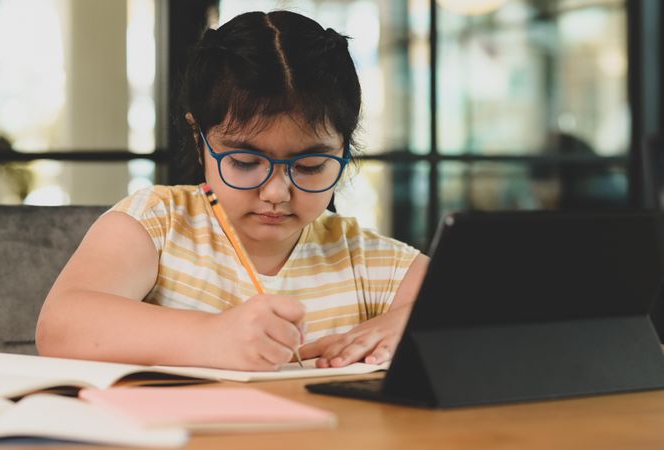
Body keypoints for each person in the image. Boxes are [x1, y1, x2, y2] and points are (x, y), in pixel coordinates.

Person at [36, 10, 429, 371]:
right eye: (244, 162)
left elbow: (477, 305)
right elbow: (61, 324)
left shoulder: (361, 258)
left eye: (310, 166)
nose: (276, 192)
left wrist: (404, 323)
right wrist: (211, 336)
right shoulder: (158, 223)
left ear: (343, 152)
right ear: (199, 137)